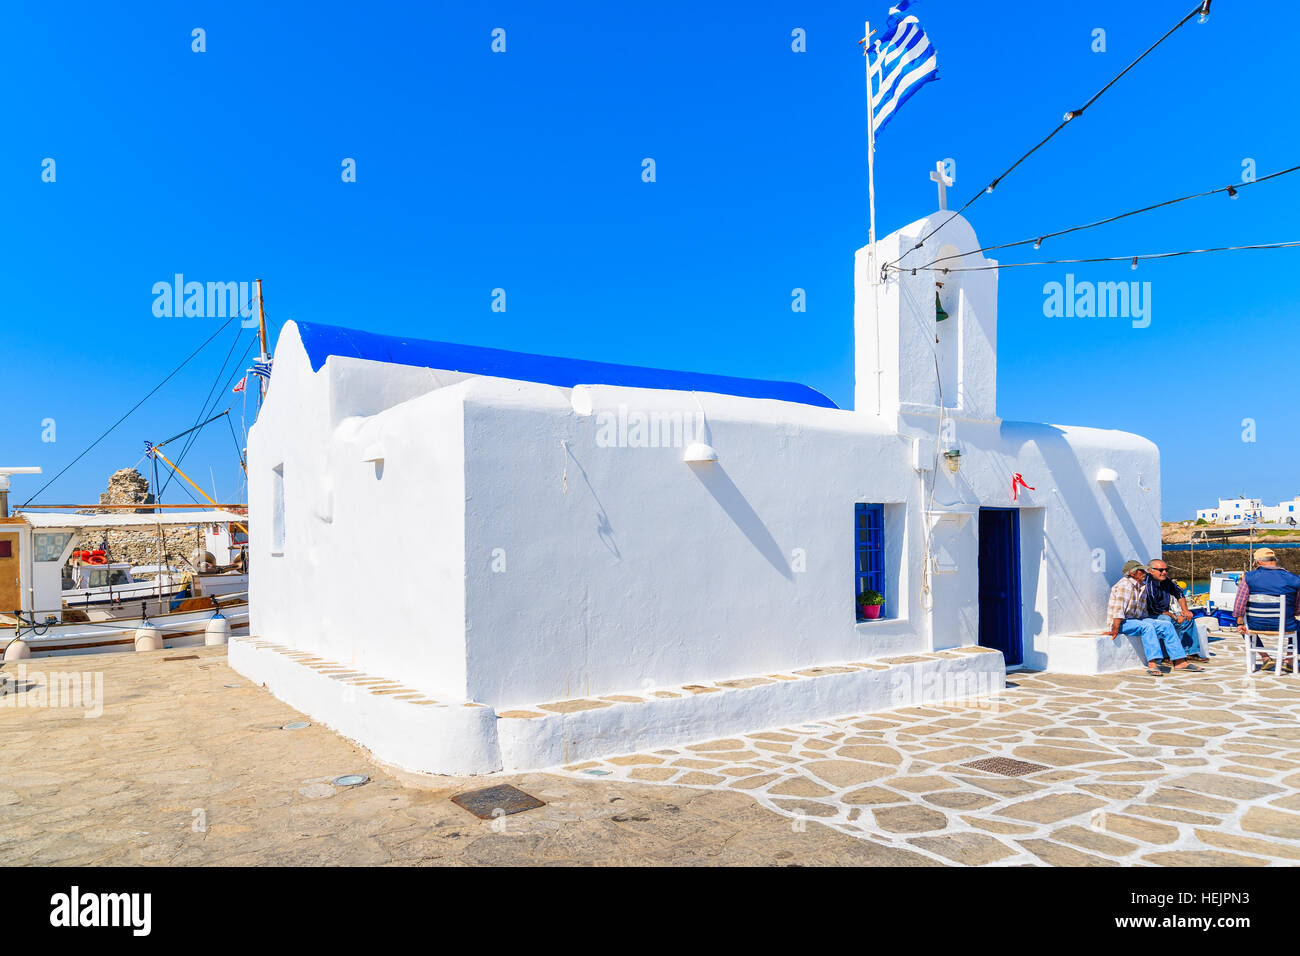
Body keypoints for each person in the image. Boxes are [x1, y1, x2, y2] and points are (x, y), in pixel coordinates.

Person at [1107, 560, 1204, 677]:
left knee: (1166, 625)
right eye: (1141, 570)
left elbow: (1143, 611)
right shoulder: (1124, 585)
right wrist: (1115, 629)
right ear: (1132, 573)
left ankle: (1180, 662)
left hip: (1137, 620)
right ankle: (1152, 663)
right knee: (1147, 627)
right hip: (1122, 622)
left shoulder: (1141, 586)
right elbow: (1118, 612)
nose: (1145, 572)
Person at [1234, 547, 1300, 673]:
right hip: (1285, 625)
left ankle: (1265, 657)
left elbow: (1239, 604)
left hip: (1255, 624)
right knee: (1298, 626)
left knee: (1243, 627)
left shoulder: (1248, 577)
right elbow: (1298, 608)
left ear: (1258, 562)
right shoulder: (1294, 578)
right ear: (1274, 560)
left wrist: (1239, 622)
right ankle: (1288, 661)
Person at [1144, 560, 1211, 662]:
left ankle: (1189, 652)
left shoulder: (1165, 580)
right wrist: (1174, 616)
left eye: (1166, 570)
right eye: (1161, 570)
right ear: (1150, 571)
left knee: (1188, 620)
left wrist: (1185, 611)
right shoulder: (1148, 584)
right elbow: (1154, 608)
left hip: (1165, 612)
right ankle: (1166, 656)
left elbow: (1178, 592)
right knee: (1166, 621)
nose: (1164, 572)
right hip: (1151, 615)